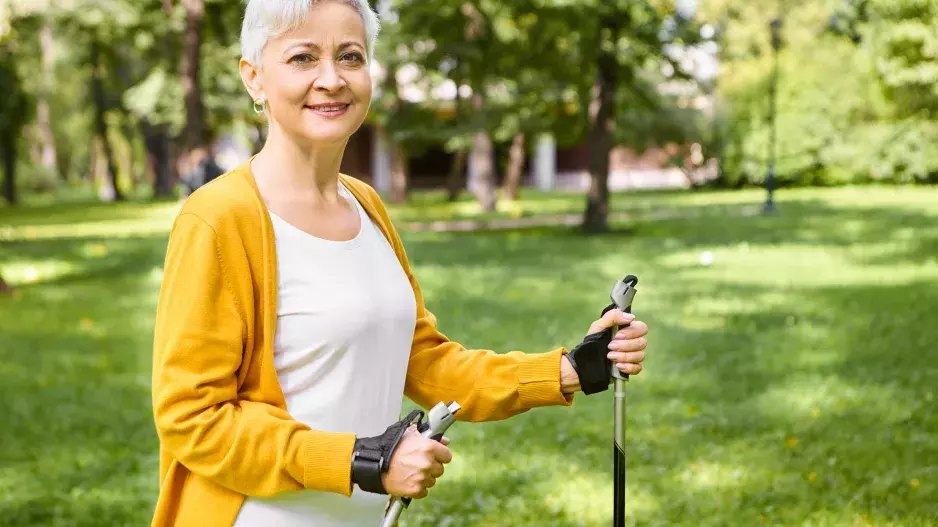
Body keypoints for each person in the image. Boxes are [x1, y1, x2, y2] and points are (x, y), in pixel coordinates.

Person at [149, 1, 650, 526]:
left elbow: (427, 363)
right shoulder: (218, 217)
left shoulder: (365, 204)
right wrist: (360, 460)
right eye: (302, 58)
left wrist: (569, 369)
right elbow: (193, 417)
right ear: (254, 77)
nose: (331, 79)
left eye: (350, 56)